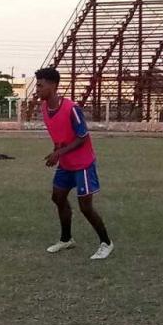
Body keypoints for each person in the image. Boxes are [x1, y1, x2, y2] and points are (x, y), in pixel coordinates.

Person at [34, 67, 114, 260]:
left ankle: (106, 243)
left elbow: (82, 136)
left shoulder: (71, 108)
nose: (37, 89)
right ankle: (66, 239)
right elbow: (58, 135)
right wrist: (56, 153)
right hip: (66, 163)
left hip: (83, 164)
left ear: (53, 86)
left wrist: (59, 153)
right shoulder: (45, 108)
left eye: (40, 85)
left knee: (85, 207)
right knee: (58, 197)